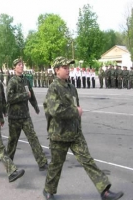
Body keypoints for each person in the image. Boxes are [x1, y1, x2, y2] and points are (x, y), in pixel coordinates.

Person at [42, 56, 124, 200]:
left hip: (75, 134)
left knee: (88, 161)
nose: (68, 70)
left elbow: (75, 107)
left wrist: (77, 123)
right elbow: (55, 110)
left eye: (69, 67)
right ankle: (49, 191)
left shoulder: (71, 87)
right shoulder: (53, 88)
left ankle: (104, 190)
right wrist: (76, 112)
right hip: (59, 135)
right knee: (56, 165)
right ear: (56, 70)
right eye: (65, 67)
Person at [6, 58, 48, 171]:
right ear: (14, 67)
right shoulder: (12, 81)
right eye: (19, 65)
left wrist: (35, 106)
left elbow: (31, 94)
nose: (21, 66)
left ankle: (42, 162)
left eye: (22, 65)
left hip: (25, 116)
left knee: (33, 138)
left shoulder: (25, 80)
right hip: (14, 117)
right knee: (12, 141)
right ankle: (8, 163)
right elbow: (9, 98)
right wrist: (24, 95)